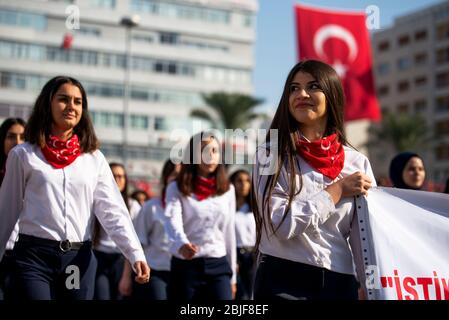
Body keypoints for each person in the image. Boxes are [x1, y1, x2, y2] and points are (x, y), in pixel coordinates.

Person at [0, 76, 150, 300]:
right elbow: (6, 211)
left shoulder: (94, 159)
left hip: (76, 260)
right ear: (47, 104)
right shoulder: (24, 155)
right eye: (63, 99)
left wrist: (135, 253)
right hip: (34, 258)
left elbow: (113, 211)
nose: (71, 106)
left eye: (78, 102)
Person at [252, 60, 375, 300]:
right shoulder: (270, 154)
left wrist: (371, 287)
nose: (302, 94)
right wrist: (336, 191)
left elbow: (365, 239)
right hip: (283, 280)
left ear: (332, 95)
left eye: (313, 86)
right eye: (294, 88)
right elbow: (280, 224)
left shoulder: (357, 163)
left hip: (341, 282)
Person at [164, 131, 237, 300]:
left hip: (218, 264)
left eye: (214, 151)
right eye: (204, 150)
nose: (210, 156)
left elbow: (229, 233)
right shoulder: (176, 187)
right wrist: (182, 243)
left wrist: (232, 276)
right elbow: (172, 220)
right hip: (186, 264)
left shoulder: (228, 190)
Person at [120, 159, 180, 300]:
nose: (178, 180)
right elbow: (136, 244)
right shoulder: (151, 207)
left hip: (183, 272)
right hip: (156, 273)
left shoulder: (192, 209)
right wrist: (126, 277)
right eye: (174, 175)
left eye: (182, 176)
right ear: (166, 177)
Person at [92, 162, 141, 300]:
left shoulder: (133, 206)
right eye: (114, 176)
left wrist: (127, 276)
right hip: (98, 257)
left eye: (121, 176)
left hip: (122, 260)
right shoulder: (94, 202)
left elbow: (135, 240)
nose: (118, 179)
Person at [0, 117, 26, 300]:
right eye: (11, 136)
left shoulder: (35, 175)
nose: (17, 142)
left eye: (22, 137)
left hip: (24, 255)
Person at [230, 169, 256, 300]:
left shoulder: (255, 208)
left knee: (253, 295)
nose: (243, 185)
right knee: (240, 295)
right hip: (236, 255)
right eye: (239, 181)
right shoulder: (228, 208)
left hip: (254, 257)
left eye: (247, 181)